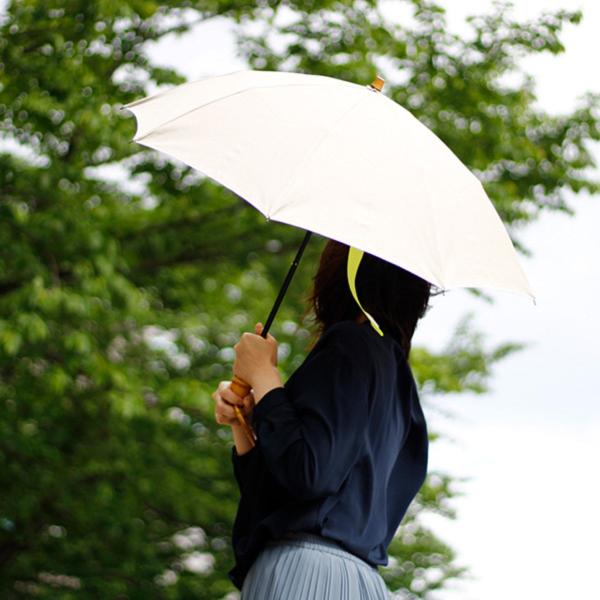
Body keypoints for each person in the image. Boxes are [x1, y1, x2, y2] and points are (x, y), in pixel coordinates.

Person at [212, 239, 434, 599]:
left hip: (305, 575)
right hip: (358, 581)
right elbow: (281, 492)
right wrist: (245, 421)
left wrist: (265, 375)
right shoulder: (397, 379)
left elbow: (308, 474)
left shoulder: (349, 346)